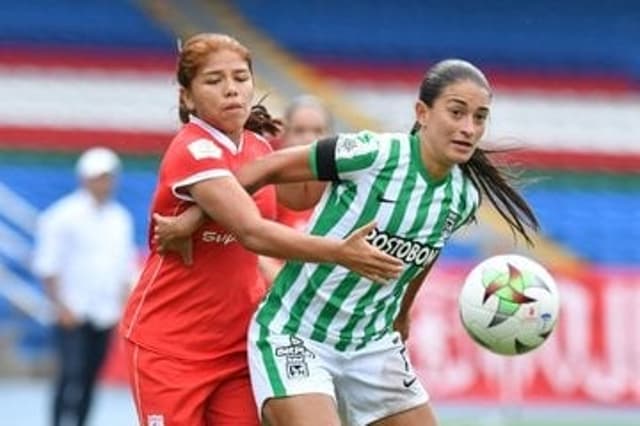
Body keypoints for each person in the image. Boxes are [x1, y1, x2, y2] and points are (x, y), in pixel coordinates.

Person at [157, 58, 540, 425]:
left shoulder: (463, 196)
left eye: (479, 117)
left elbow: (425, 255)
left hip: (372, 345)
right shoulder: (373, 153)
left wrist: (402, 314)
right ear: (422, 113)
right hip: (297, 333)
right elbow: (263, 169)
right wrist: (194, 216)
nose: (469, 128)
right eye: (456, 113)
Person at [118, 33, 402, 426]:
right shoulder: (192, 149)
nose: (231, 89)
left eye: (240, 77)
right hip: (170, 348)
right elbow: (251, 230)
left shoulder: (257, 148)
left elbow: (270, 207)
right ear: (187, 97)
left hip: (235, 345)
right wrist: (339, 252)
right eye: (214, 81)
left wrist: (193, 217)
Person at [32, 147, 137, 426]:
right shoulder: (63, 215)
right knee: (70, 374)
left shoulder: (120, 218)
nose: (104, 183)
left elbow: (123, 268)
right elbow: (48, 265)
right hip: (73, 311)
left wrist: (122, 307)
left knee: (91, 377)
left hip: (105, 312)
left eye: (108, 177)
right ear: (85, 179)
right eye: (98, 177)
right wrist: (60, 306)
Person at [258, 95, 334, 283]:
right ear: (283, 135)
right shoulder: (263, 183)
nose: (309, 139)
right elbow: (246, 239)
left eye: (318, 131)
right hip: (269, 295)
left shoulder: (343, 189)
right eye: (299, 131)